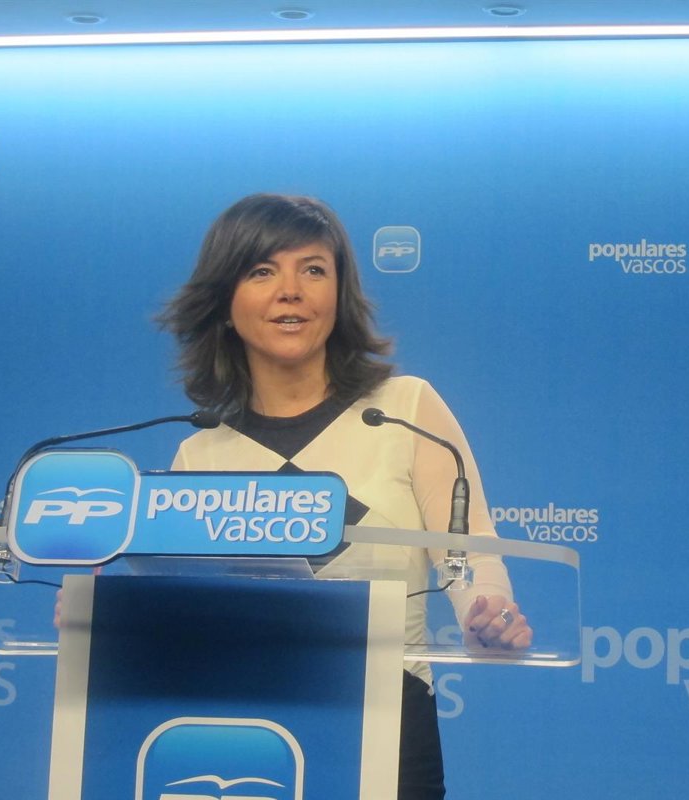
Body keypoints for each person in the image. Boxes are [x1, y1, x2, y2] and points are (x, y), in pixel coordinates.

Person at [159, 193, 530, 800]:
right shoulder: (199, 454)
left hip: (387, 717)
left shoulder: (405, 409)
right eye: (262, 271)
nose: (291, 291)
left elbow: (469, 552)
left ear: (340, 293)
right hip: (242, 723)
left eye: (313, 270)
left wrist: (488, 613)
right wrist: (106, 617)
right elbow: (186, 613)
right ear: (225, 302)